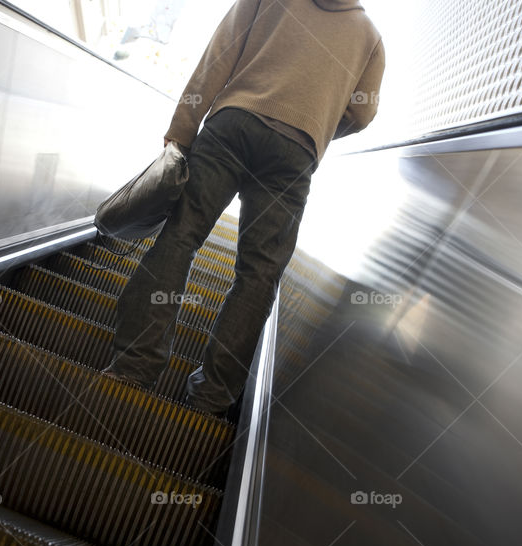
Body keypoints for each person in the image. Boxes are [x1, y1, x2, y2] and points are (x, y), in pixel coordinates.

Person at [103, 0, 385, 417]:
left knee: (181, 235)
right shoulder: (370, 36)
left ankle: (134, 365)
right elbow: (362, 113)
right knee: (259, 274)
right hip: (295, 152)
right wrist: (314, 124)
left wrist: (182, 130)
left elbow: (218, 57)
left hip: (232, 125)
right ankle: (211, 396)